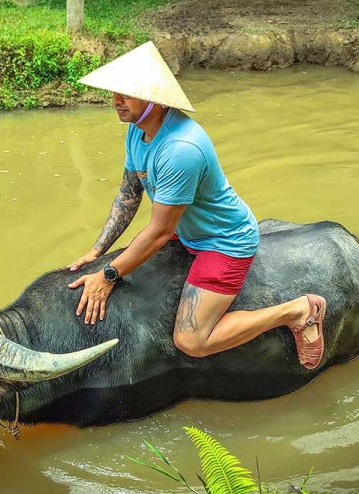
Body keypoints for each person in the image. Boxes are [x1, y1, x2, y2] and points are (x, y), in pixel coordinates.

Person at [67, 42, 326, 369]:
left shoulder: (181, 148)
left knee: (192, 341)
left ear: (155, 100)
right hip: (186, 232)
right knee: (127, 257)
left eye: (127, 94)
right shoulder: (137, 131)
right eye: (114, 93)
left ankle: (299, 310)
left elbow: (160, 231)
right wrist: (98, 251)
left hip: (223, 240)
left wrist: (107, 275)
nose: (116, 102)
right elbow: (128, 195)